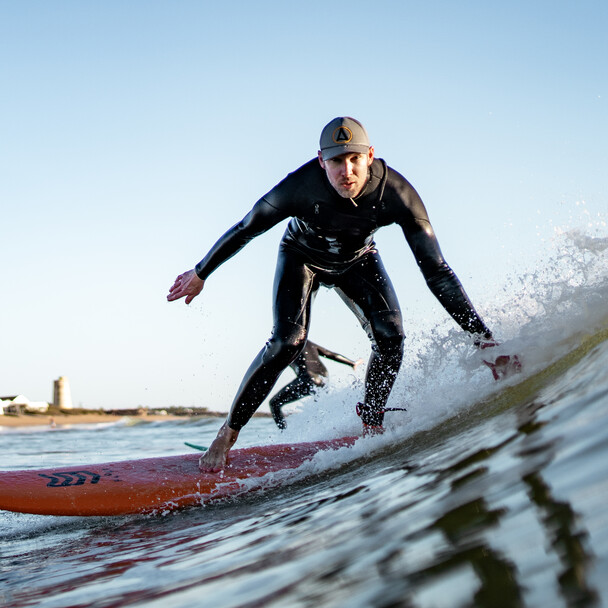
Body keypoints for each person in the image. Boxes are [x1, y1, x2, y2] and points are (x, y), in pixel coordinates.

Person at [168, 116, 518, 472]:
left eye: (354, 159)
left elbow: (437, 272)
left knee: (391, 336)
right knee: (287, 342)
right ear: (322, 160)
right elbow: (247, 227)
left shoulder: (396, 193)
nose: (345, 171)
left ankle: (370, 419)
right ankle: (227, 433)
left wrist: (484, 341)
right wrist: (201, 273)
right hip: (301, 256)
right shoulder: (299, 187)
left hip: (357, 260)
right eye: (336, 161)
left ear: (370, 156)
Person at [268, 340, 363, 429]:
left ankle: (284, 434)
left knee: (274, 403)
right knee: (321, 409)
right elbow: (331, 354)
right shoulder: (308, 342)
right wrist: (352, 363)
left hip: (308, 378)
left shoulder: (285, 344)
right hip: (323, 380)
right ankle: (334, 430)